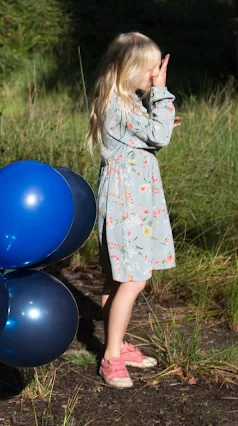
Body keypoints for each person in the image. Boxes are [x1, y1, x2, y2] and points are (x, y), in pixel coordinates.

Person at [87, 32, 181, 388]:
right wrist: (162, 92)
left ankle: (118, 342)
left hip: (130, 199)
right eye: (152, 71)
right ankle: (111, 357)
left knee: (117, 275)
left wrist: (157, 120)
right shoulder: (122, 105)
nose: (156, 75)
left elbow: (149, 134)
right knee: (134, 278)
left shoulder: (121, 101)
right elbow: (159, 137)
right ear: (133, 70)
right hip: (129, 203)